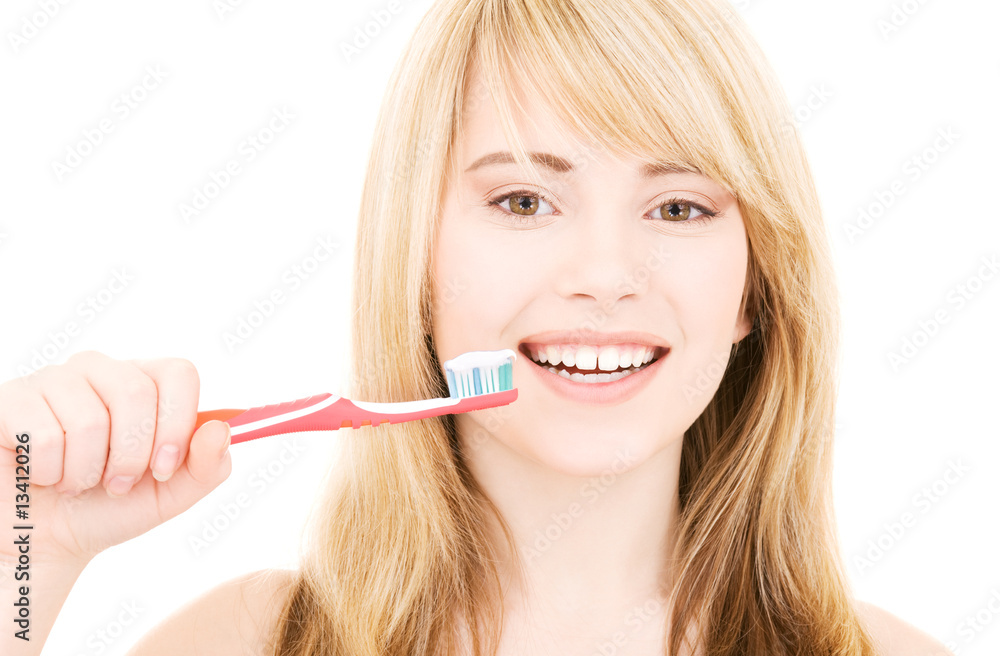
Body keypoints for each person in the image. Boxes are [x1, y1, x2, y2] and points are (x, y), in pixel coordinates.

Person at [1, 0, 956, 654]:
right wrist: (24, 554)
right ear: (415, 259)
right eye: (525, 200)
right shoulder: (245, 642)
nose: (605, 277)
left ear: (753, 288)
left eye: (678, 209)